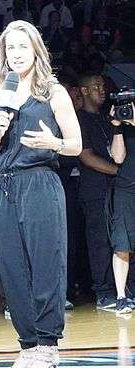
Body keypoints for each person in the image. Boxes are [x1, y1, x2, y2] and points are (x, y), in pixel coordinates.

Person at [0, 20, 82, 368]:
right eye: (11, 48)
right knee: (11, 265)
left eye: (23, 46)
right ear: (3, 53)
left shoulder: (53, 92)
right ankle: (28, 343)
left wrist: (53, 143)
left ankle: (48, 342)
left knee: (46, 262)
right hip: (5, 184)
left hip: (40, 181)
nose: (17, 54)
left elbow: (75, 145)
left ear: (36, 50)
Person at [77, 72, 118, 309]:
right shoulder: (79, 119)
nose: (102, 90)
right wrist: (118, 172)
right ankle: (103, 291)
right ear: (83, 91)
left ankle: (122, 287)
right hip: (93, 191)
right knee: (99, 242)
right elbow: (87, 157)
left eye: (103, 86)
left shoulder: (105, 118)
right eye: (96, 86)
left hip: (115, 190)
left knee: (119, 240)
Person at [109, 104, 135, 314]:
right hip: (126, 188)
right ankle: (121, 296)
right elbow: (118, 158)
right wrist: (117, 127)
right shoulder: (123, 125)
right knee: (122, 243)